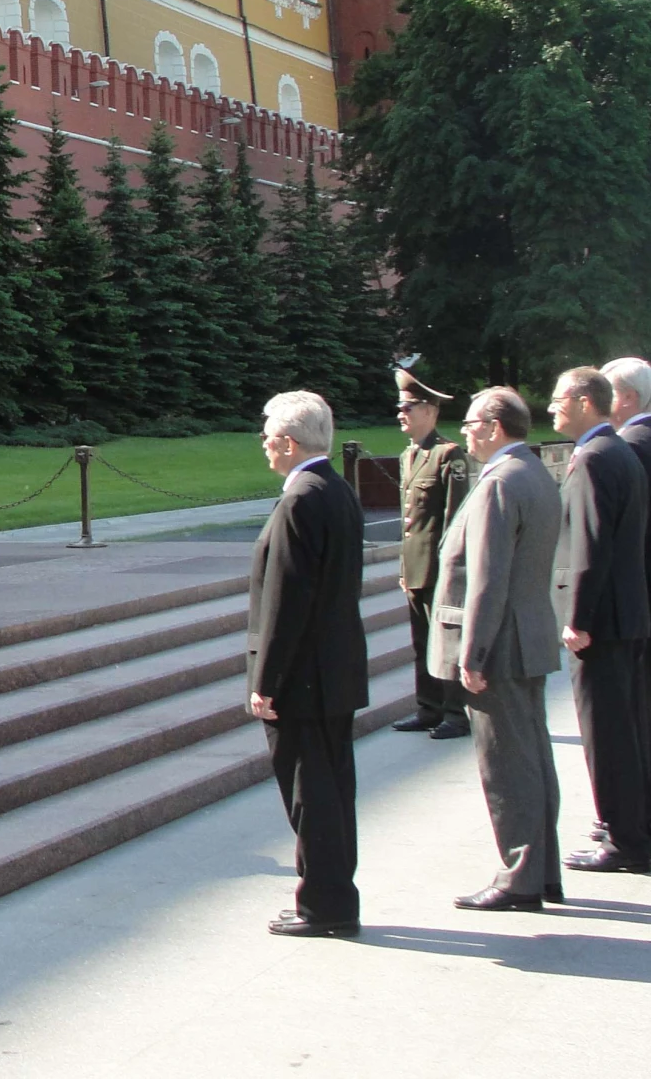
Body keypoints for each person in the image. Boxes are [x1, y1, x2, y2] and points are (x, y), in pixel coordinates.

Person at [431, 387, 566, 911]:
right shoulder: (532, 473)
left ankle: (520, 878)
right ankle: (540, 871)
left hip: (501, 644)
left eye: (469, 424)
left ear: (492, 426)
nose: (464, 433)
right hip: (527, 636)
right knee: (531, 757)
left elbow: (487, 578)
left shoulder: (499, 482)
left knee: (506, 764)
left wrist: (473, 652)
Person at [247, 390, 368, 938]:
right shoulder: (335, 489)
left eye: (269, 436)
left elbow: (285, 602)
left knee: (311, 793)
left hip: (304, 676)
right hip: (333, 668)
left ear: (290, 443)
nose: (264, 445)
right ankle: (332, 895)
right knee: (333, 788)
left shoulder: (300, 500)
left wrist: (265, 682)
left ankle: (324, 903)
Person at [547, 366, 651, 874]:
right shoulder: (619, 450)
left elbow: (590, 546)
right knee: (620, 730)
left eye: (557, 401)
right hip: (625, 615)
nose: (550, 409)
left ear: (585, 402)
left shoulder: (593, 458)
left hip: (603, 622)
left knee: (605, 735)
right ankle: (631, 833)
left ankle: (623, 841)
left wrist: (577, 617)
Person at [603, 356, 651, 847]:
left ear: (627, 398)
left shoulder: (632, 444)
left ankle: (645, 815)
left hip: (638, 601)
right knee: (647, 708)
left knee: (635, 712)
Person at [390, 367, 472, 740]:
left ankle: (455, 712)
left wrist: (449, 574)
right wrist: (406, 566)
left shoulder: (449, 455)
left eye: (408, 407)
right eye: (400, 407)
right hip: (417, 566)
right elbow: (410, 521)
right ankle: (429, 707)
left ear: (429, 410)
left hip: (439, 568)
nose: (400, 414)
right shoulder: (410, 456)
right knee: (420, 642)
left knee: (446, 643)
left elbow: (454, 521)